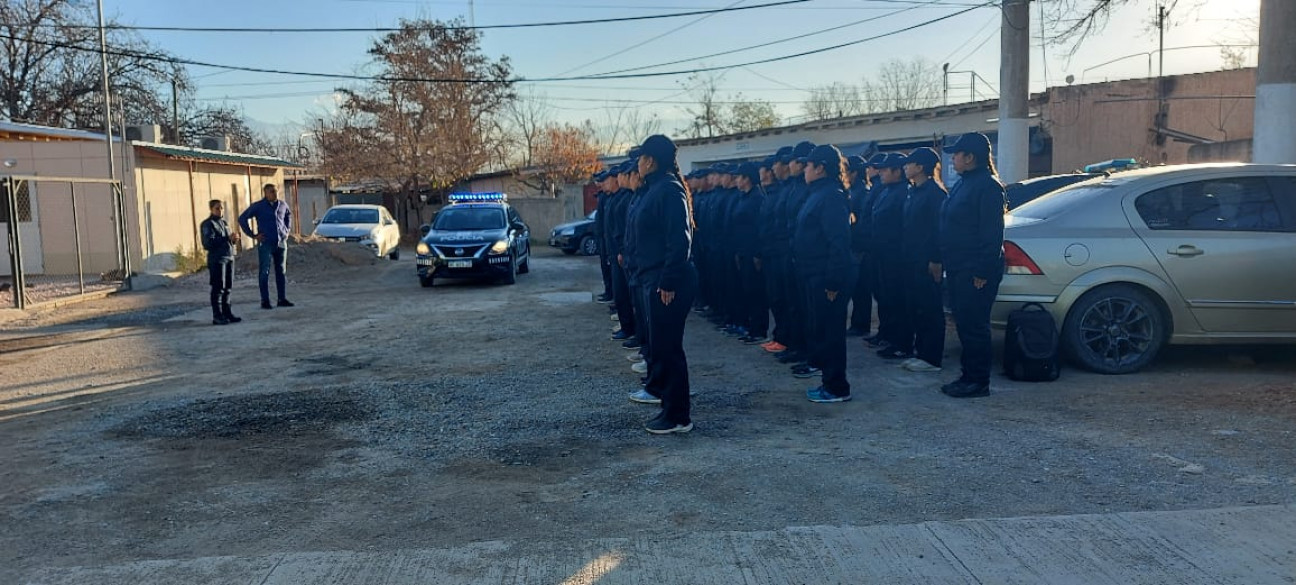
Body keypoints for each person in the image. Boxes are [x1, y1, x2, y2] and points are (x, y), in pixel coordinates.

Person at [624, 134, 697, 434]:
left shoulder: (668, 190)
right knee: (661, 347)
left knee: (669, 349)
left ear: (650, 160)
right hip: (650, 278)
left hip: (666, 282)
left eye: (640, 159)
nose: (638, 165)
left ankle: (678, 416)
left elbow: (679, 241)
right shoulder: (654, 189)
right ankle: (668, 405)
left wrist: (668, 281)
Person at [939, 133, 1007, 398]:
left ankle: (978, 382)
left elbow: (991, 234)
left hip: (974, 269)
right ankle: (968, 376)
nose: (953, 159)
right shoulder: (965, 183)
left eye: (957, 154)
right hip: (958, 265)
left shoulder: (988, 186)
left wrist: (982, 271)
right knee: (964, 325)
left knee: (975, 326)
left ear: (970, 157)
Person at [792, 144, 856, 403]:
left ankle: (837, 387)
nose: (804, 169)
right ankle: (828, 381)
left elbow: (838, 242)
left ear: (820, 168)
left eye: (808, 165)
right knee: (821, 330)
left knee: (831, 333)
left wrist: (833, 280)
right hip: (812, 273)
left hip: (825, 277)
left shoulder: (831, 196)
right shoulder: (818, 193)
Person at [896, 147, 948, 373]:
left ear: (920, 167)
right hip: (910, 258)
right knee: (915, 307)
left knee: (930, 309)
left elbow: (939, 230)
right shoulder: (913, 191)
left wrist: (936, 259)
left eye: (910, 163)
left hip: (927, 260)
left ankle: (931, 357)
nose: (905, 167)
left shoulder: (935, 193)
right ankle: (920, 352)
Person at [870, 153, 911, 359]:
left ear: (897, 171)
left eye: (885, 170)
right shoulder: (886, 191)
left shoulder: (904, 192)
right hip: (882, 254)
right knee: (885, 298)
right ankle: (887, 334)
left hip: (896, 256)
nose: (881, 173)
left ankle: (901, 343)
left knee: (897, 300)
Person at [730, 162, 768, 345]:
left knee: (756, 292)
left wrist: (758, 254)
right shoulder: (742, 198)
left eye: (739, 177)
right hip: (742, 251)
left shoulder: (757, 198)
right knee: (747, 291)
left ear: (747, 179)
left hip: (753, 253)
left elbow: (760, 228)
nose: (736, 180)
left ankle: (759, 330)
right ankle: (751, 326)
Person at [238, 184, 294, 309]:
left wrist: (286, 230)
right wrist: (253, 235)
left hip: (280, 242)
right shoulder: (258, 206)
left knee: (281, 271)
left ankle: (282, 298)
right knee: (264, 271)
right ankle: (265, 300)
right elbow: (242, 218)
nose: (274, 194)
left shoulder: (282, 205)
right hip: (266, 243)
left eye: (275, 191)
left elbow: (288, 215)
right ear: (265, 193)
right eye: (271, 192)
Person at [846, 155, 875, 338]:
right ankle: (858, 323)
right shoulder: (852, 191)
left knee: (861, 289)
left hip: (859, 247)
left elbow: (862, 222)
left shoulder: (862, 192)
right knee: (856, 288)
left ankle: (861, 324)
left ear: (854, 173)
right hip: (854, 246)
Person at [200, 199, 241, 326]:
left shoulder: (224, 222)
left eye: (221, 208)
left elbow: (228, 241)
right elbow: (208, 243)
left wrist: (233, 239)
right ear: (211, 209)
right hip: (217, 259)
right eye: (217, 208)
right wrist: (226, 238)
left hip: (229, 257)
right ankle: (217, 315)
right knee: (218, 288)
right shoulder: (208, 224)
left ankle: (227, 312)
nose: (220, 210)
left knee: (228, 287)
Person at [594, 171, 615, 303]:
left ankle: (612, 294)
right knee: (605, 267)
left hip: (609, 239)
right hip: (603, 237)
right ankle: (610, 292)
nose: (599, 183)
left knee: (610, 269)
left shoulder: (609, 197)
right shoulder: (604, 196)